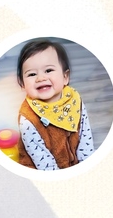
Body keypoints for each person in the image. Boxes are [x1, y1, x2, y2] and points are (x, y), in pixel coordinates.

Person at [16, 39, 95, 170]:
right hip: (41, 168)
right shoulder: (27, 119)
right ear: (22, 84)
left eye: (48, 71)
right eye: (32, 74)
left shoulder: (74, 100)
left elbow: (85, 140)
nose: (40, 78)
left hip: (72, 163)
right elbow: (44, 163)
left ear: (65, 77)